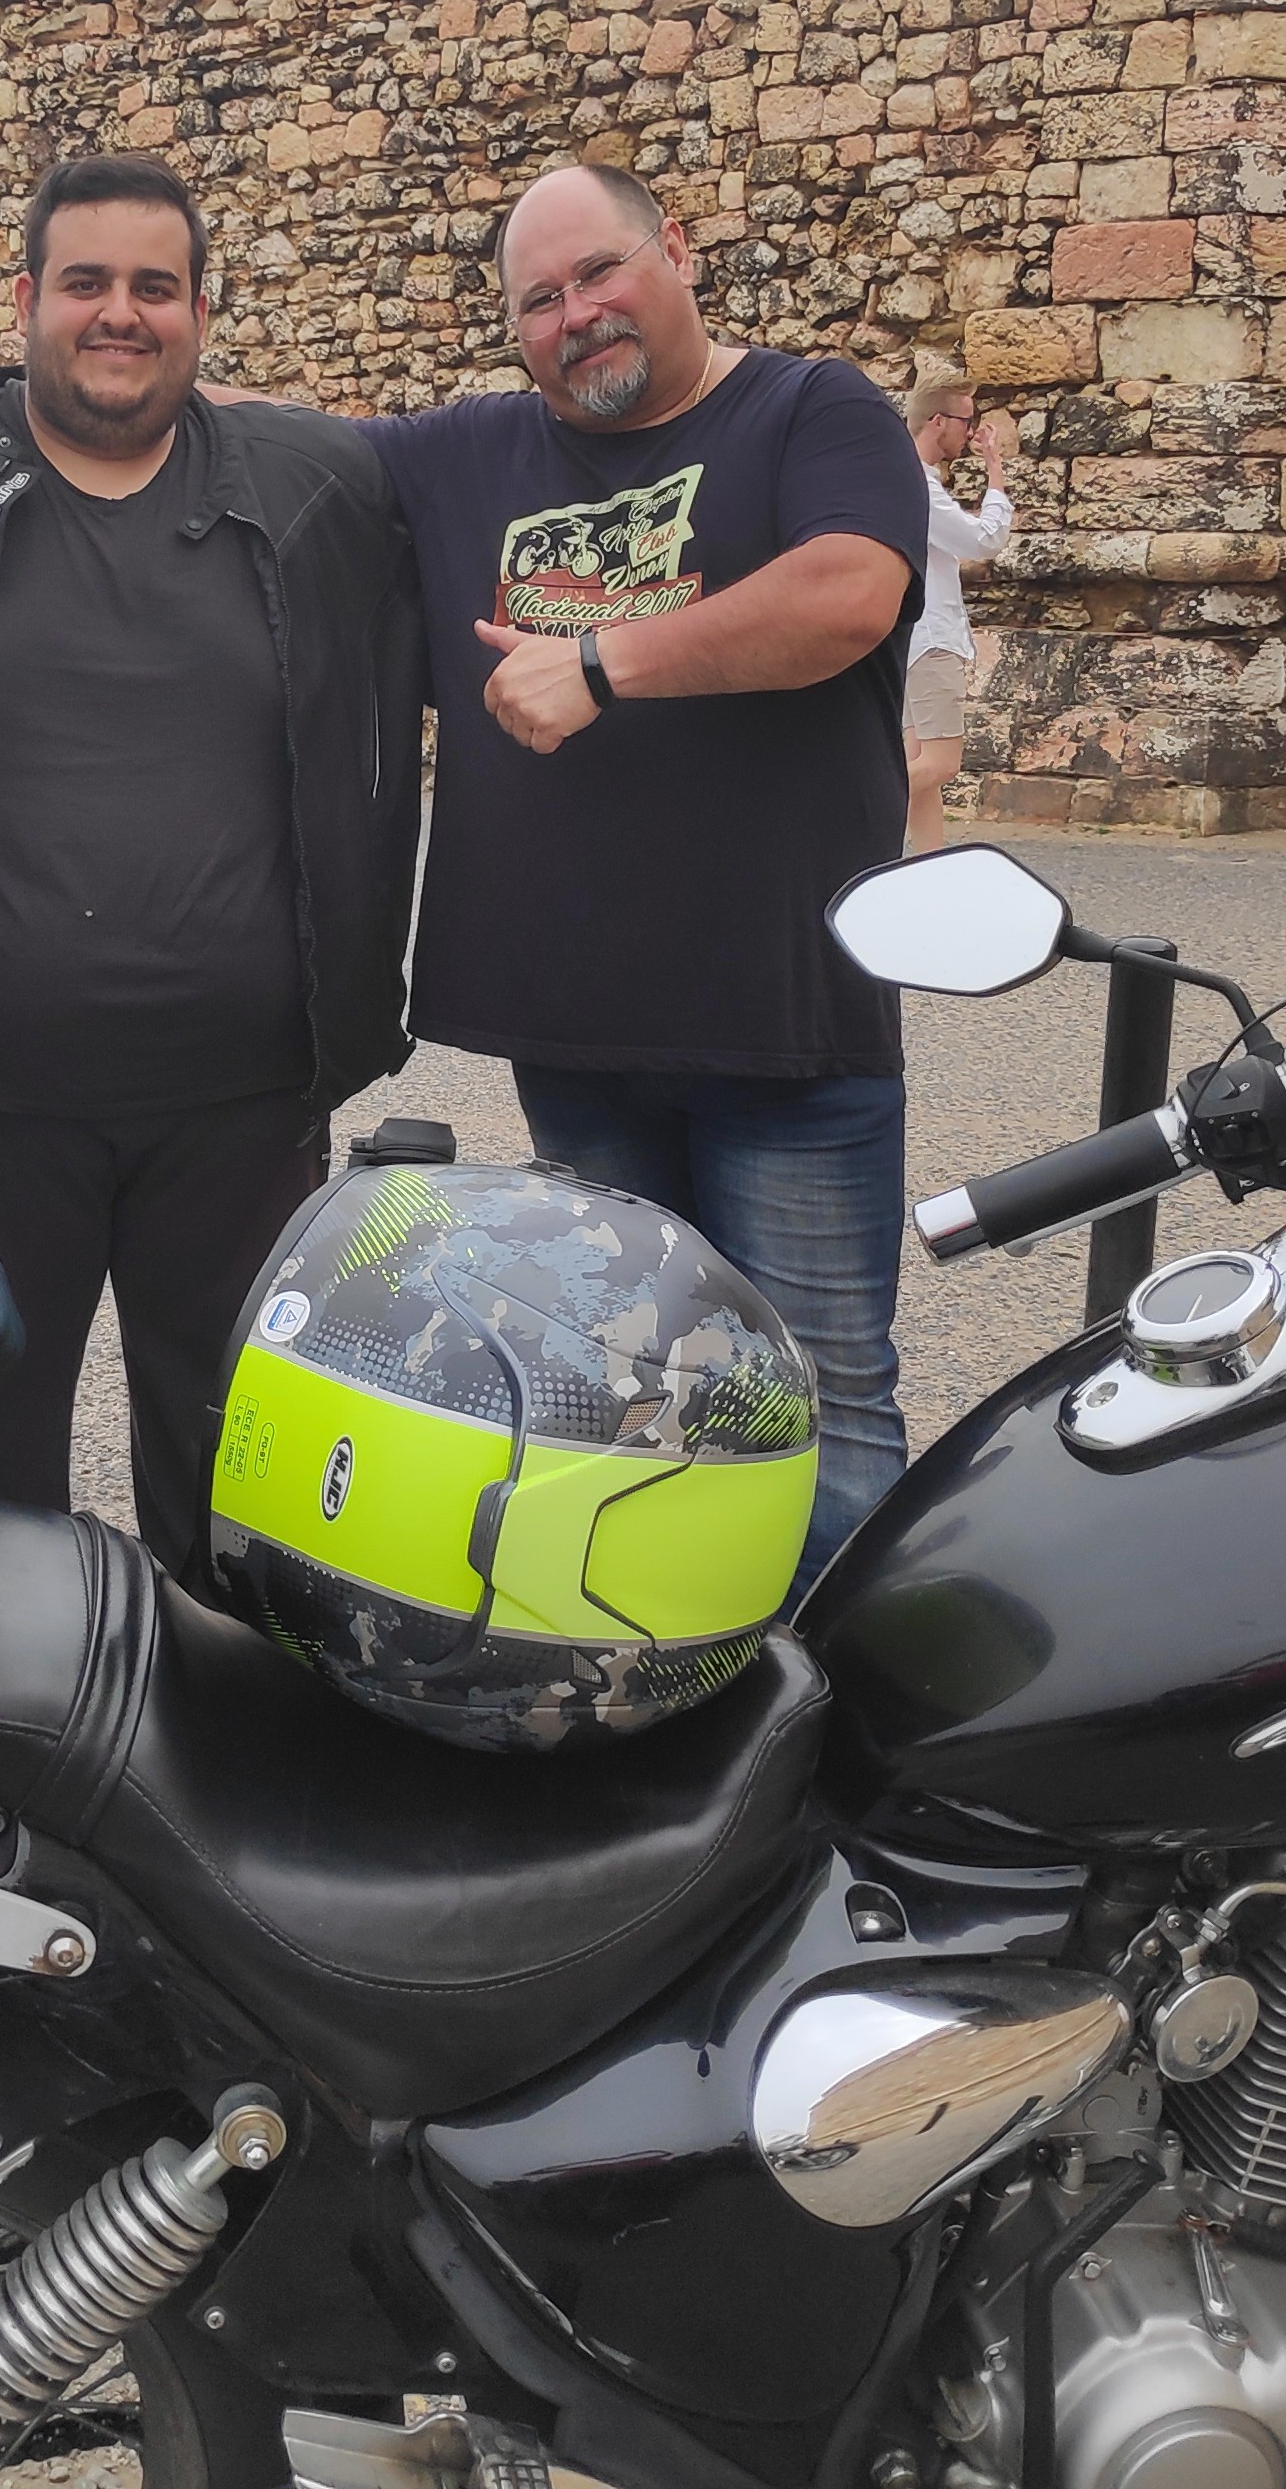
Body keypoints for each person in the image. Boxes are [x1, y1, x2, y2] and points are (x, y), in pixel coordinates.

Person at [0, 154, 421, 1576]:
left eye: (156, 287)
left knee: (236, 1498)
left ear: (201, 313)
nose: (119, 313)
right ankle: (10, 1719)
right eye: (84, 282)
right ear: (24, 299)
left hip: (241, 1111)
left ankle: (215, 1713)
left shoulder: (315, 488)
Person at [357, 162, 926, 1582]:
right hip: (577, 1045)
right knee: (631, 1411)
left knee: (822, 1416)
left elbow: (848, 593)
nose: (576, 316)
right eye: (538, 299)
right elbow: (270, 448)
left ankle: (843, 1706)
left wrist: (602, 661)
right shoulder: (466, 453)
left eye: (600, 272)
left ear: (675, 248)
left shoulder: (811, 409)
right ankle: (677, 1687)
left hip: (785, 1040)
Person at [901, 369, 1016, 855]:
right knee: (940, 764)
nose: (970, 432)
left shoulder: (910, 481)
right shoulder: (920, 489)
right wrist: (995, 469)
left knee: (916, 764)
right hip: (932, 641)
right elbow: (985, 540)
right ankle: (842, 809)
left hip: (913, 640)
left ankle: (926, 867)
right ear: (937, 422)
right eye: (966, 421)